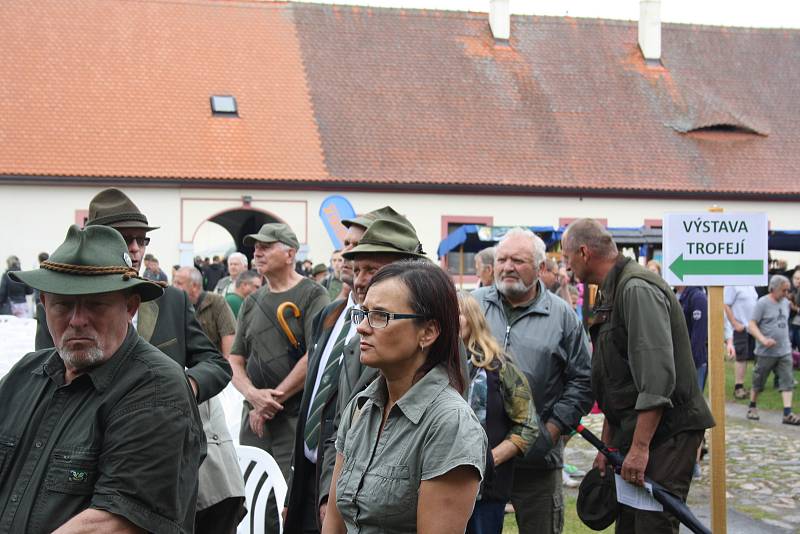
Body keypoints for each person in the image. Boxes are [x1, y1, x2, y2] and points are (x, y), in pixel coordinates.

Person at [35, 188, 235, 533]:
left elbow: (216, 364)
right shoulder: (62, 306)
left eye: (142, 241)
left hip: (163, 463)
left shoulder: (171, 300)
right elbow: (51, 373)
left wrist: (182, 384)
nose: (136, 249)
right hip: (82, 466)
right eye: (125, 238)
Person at [0, 224, 204, 533]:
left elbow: (119, 520)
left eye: (96, 303)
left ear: (130, 307)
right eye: (63, 304)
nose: (77, 320)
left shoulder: (156, 388)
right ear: (43, 305)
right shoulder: (26, 374)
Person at [561, 218, 714, 534]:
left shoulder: (637, 289)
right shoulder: (611, 291)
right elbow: (617, 382)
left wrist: (640, 448)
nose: (566, 266)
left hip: (667, 434)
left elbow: (656, 379)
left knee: (652, 526)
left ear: (584, 252)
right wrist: (609, 447)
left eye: (566, 257)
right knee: (629, 524)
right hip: (635, 431)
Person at [322, 261, 487, 534]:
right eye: (362, 313)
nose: (362, 327)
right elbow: (334, 524)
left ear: (428, 332)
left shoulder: (450, 424)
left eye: (380, 316)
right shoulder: (361, 407)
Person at [285, 206, 420, 533]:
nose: (357, 273)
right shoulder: (332, 316)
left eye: (370, 267)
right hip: (316, 481)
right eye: (350, 253)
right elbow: (327, 415)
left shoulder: (420, 338)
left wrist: (336, 496)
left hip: (364, 503)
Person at [473, 228, 593, 534]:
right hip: (479, 459)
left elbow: (583, 381)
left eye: (518, 260)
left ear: (540, 268)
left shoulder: (563, 316)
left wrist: (549, 432)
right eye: (502, 259)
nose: (507, 266)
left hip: (537, 462)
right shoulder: (473, 306)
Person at [229, 222, 330, 533]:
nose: (256, 252)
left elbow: (315, 353)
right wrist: (253, 396)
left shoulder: (313, 294)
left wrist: (273, 399)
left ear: (290, 253)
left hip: (294, 418)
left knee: (290, 499)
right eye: (255, 247)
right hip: (256, 418)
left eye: (265, 246)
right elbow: (234, 359)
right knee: (253, 497)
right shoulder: (251, 301)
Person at [172, 266, 247, 532]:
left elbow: (225, 356)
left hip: (207, 398)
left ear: (194, 286)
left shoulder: (210, 303)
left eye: (179, 282)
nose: (174, 285)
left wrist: (185, 385)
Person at [458, 290, 538, 534]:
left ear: (473, 319)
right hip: (438, 487)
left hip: (487, 490)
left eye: (457, 313)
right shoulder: (428, 369)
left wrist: (489, 460)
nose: (450, 320)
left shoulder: (499, 368)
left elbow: (528, 425)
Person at [746, 275, 800, 424]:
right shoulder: (762, 303)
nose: (786, 293)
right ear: (774, 288)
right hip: (765, 352)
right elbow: (751, 325)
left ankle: (787, 413)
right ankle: (752, 407)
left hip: (784, 350)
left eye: (788, 290)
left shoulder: (785, 303)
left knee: (787, 380)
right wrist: (763, 339)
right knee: (759, 381)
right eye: (784, 290)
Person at [724, 285, 760, 399]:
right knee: (741, 357)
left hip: (752, 327)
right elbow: (725, 304)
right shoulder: (732, 284)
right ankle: (738, 388)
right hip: (740, 327)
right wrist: (734, 323)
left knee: (753, 357)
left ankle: (751, 386)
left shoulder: (751, 285)